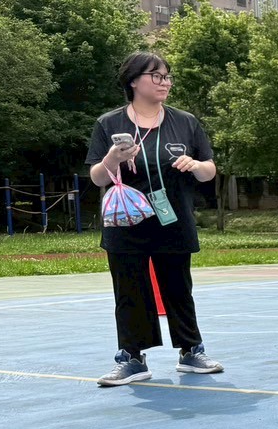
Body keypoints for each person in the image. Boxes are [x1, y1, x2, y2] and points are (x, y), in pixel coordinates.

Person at [85, 51, 224, 386]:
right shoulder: (110, 123)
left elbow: (210, 170)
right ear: (134, 81)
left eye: (167, 76)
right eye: (157, 76)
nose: (165, 82)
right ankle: (132, 357)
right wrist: (111, 159)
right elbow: (97, 178)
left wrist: (195, 165)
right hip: (127, 222)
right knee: (129, 289)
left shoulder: (185, 121)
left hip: (172, 218)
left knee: (178, 286)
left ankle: (191, 350)